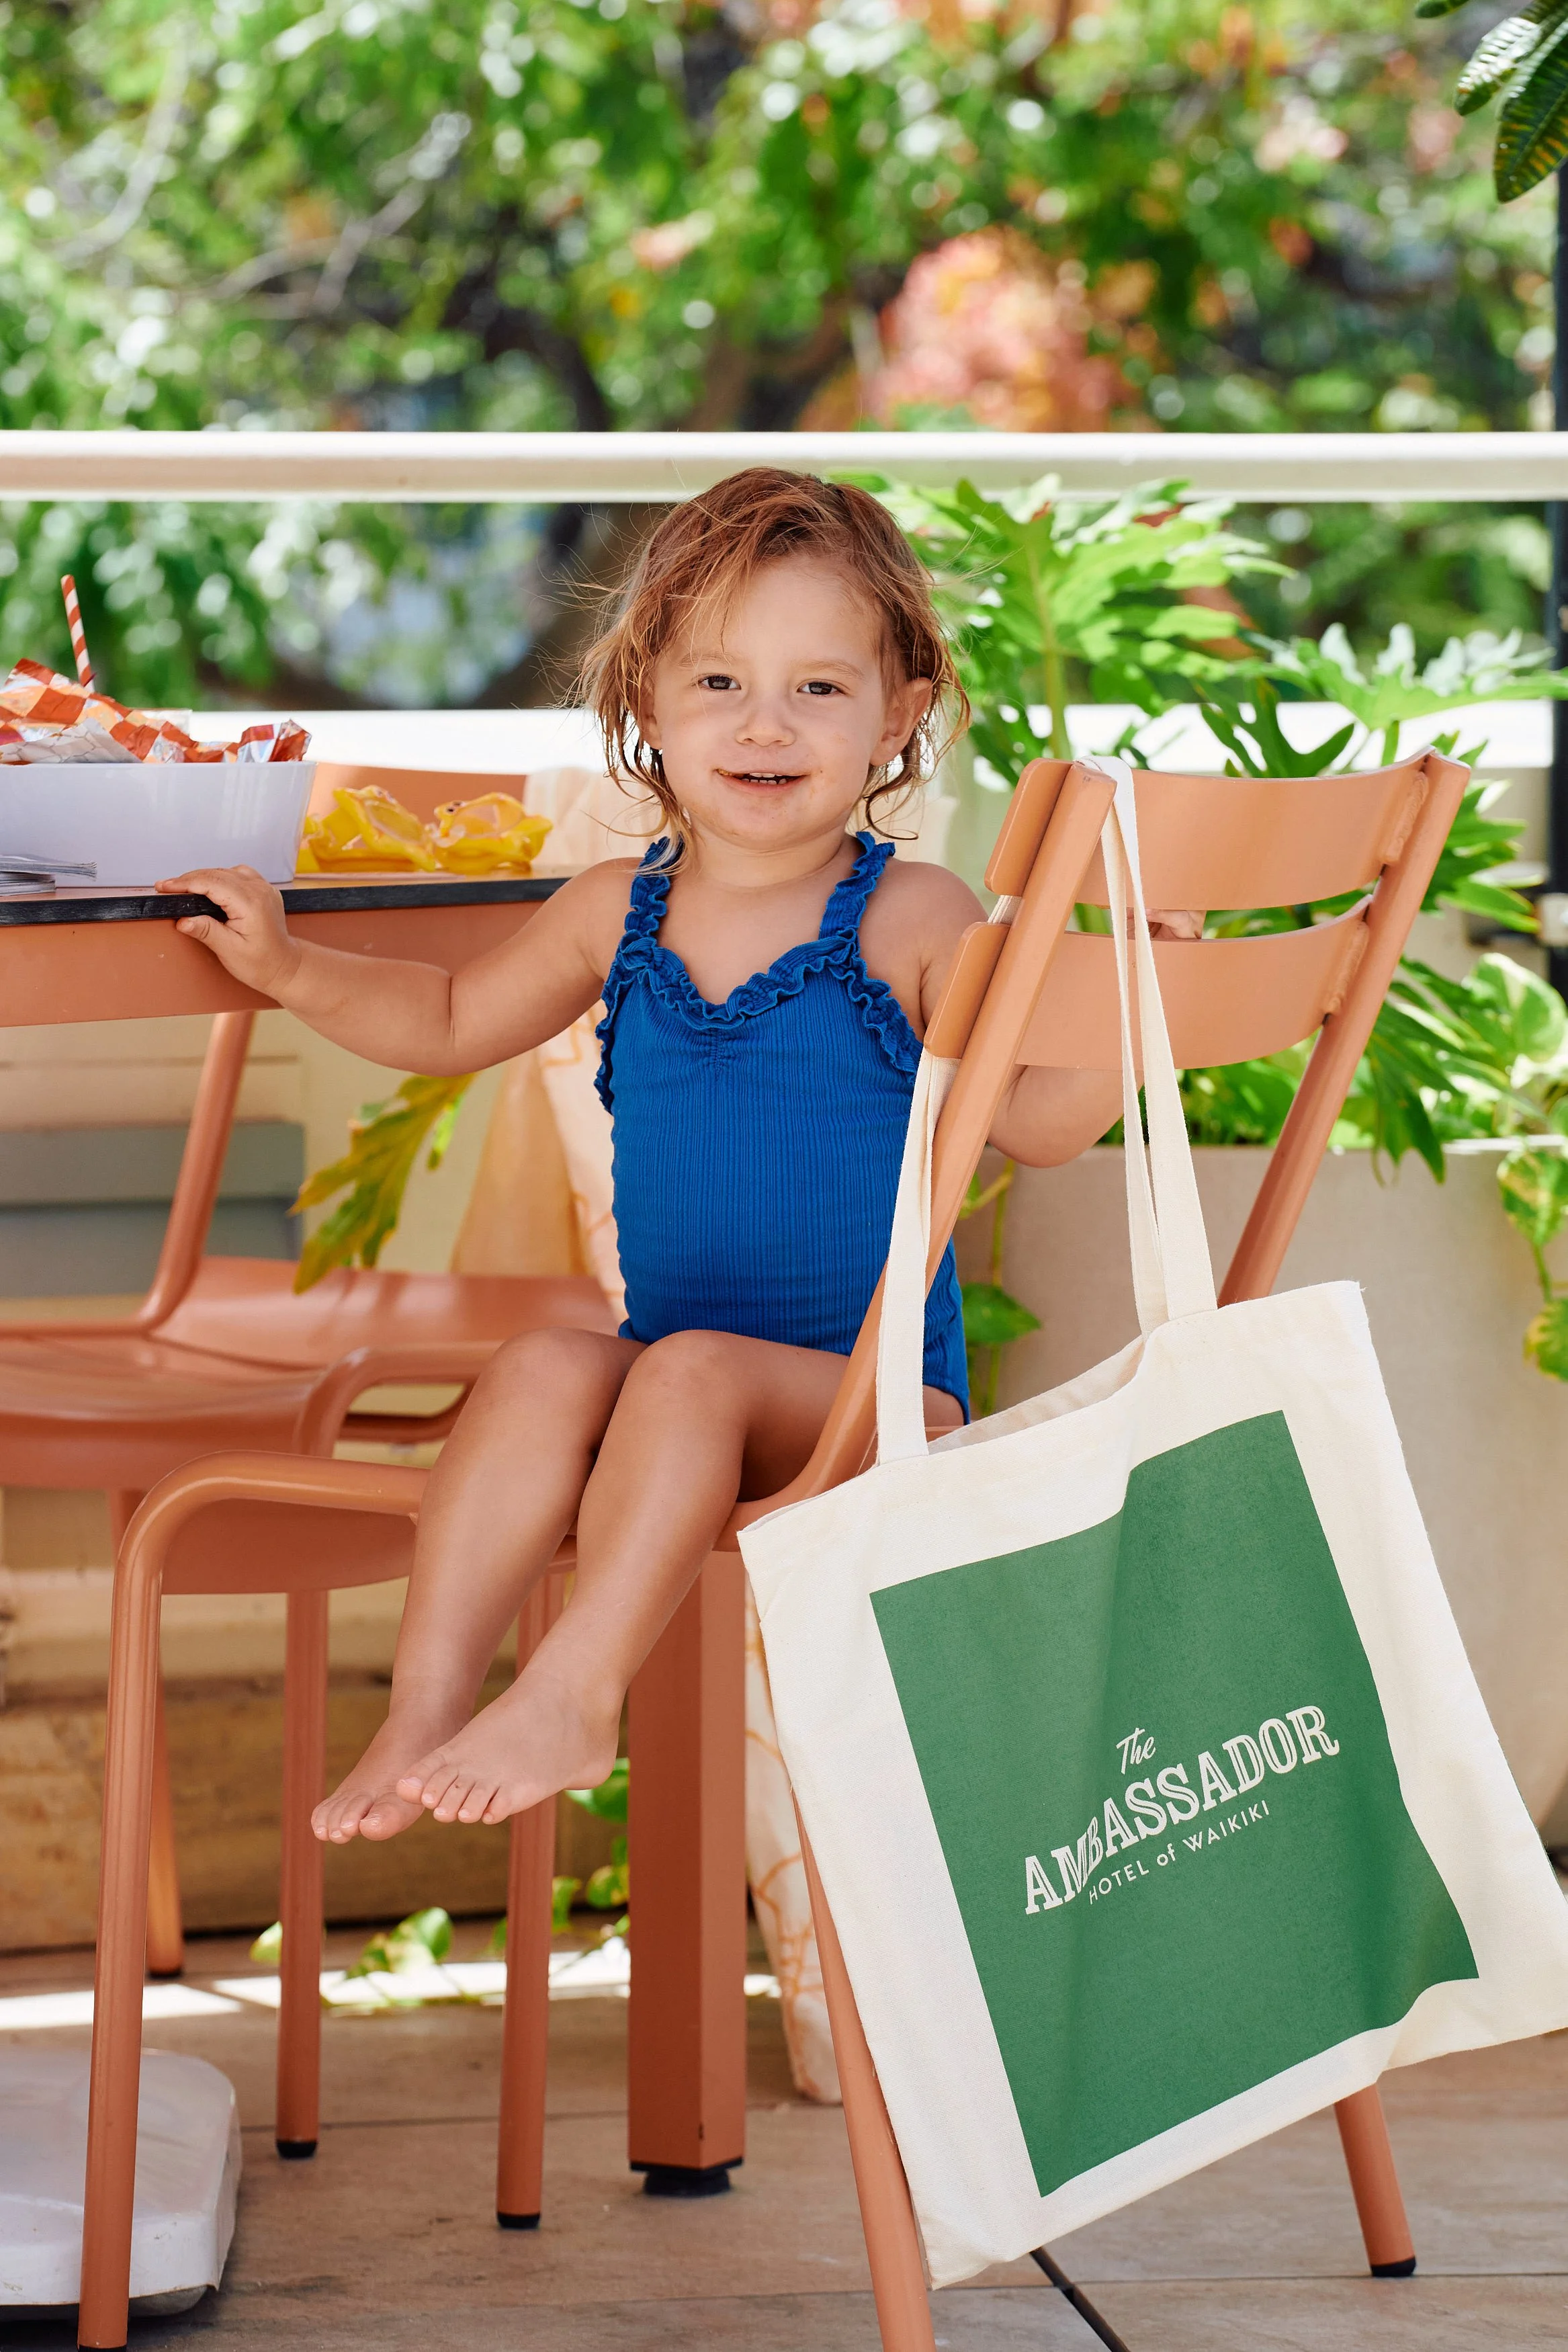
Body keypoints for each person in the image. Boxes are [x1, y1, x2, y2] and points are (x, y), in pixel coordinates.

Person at [160, 468, 1170, 1843]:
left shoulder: (916, 918)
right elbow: (448, 1021)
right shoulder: (612, 912)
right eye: (718, 682)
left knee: (684, 1367)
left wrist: (1135, 994)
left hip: (873, 1404)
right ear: (646, 698)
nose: (764, 724)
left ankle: (576, 1694)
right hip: (676, 1400)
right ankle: (426, 1703)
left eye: (819, 688)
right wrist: (289, 968)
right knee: (544, 1364)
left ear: (898, 716)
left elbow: (1040, 1125)